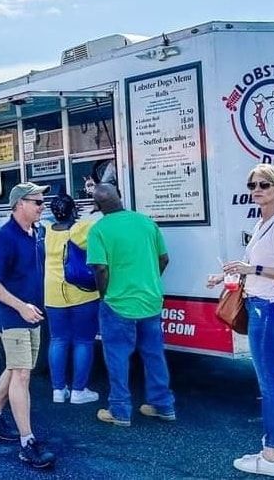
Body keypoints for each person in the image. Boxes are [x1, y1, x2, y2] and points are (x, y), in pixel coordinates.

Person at [211, 164, 274, 477]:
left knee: (270, 384)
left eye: (264, 185)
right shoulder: (265, 222)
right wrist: (230, 273)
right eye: (252, 185)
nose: (257, 190)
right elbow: (259, 267)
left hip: (273, 309)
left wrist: (253, 271)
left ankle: (272, 455)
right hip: (265, 306)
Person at [0, 183, 56, 470]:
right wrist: (20, 306)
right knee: (22, 374)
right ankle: (28, 443)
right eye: (37, 201)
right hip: (13, 317)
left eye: (42, 201)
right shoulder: (4, 238)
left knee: (15, 369)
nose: (42, 206)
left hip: (32, 314)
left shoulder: (38, 233)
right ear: (20, 203)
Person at [86, 183, 174, 428]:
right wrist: (150, 281)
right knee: (154, 355)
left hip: (117, 304)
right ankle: (163, 405)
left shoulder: (99, 230)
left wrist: (104, 295)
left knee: (117, 358)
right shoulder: (146, 222)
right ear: (121, 198)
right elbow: (164, 258)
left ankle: (120, 411)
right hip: (151, 301)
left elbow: (100, 269)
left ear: (98, 207)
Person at [43, 194, 100, 404]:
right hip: (82, 293)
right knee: (83, 341)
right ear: (73, 210)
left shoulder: (45, 231)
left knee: (58, 340)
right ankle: (79, 390)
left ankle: (58, 390)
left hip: (53, 295)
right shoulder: (81, 228)